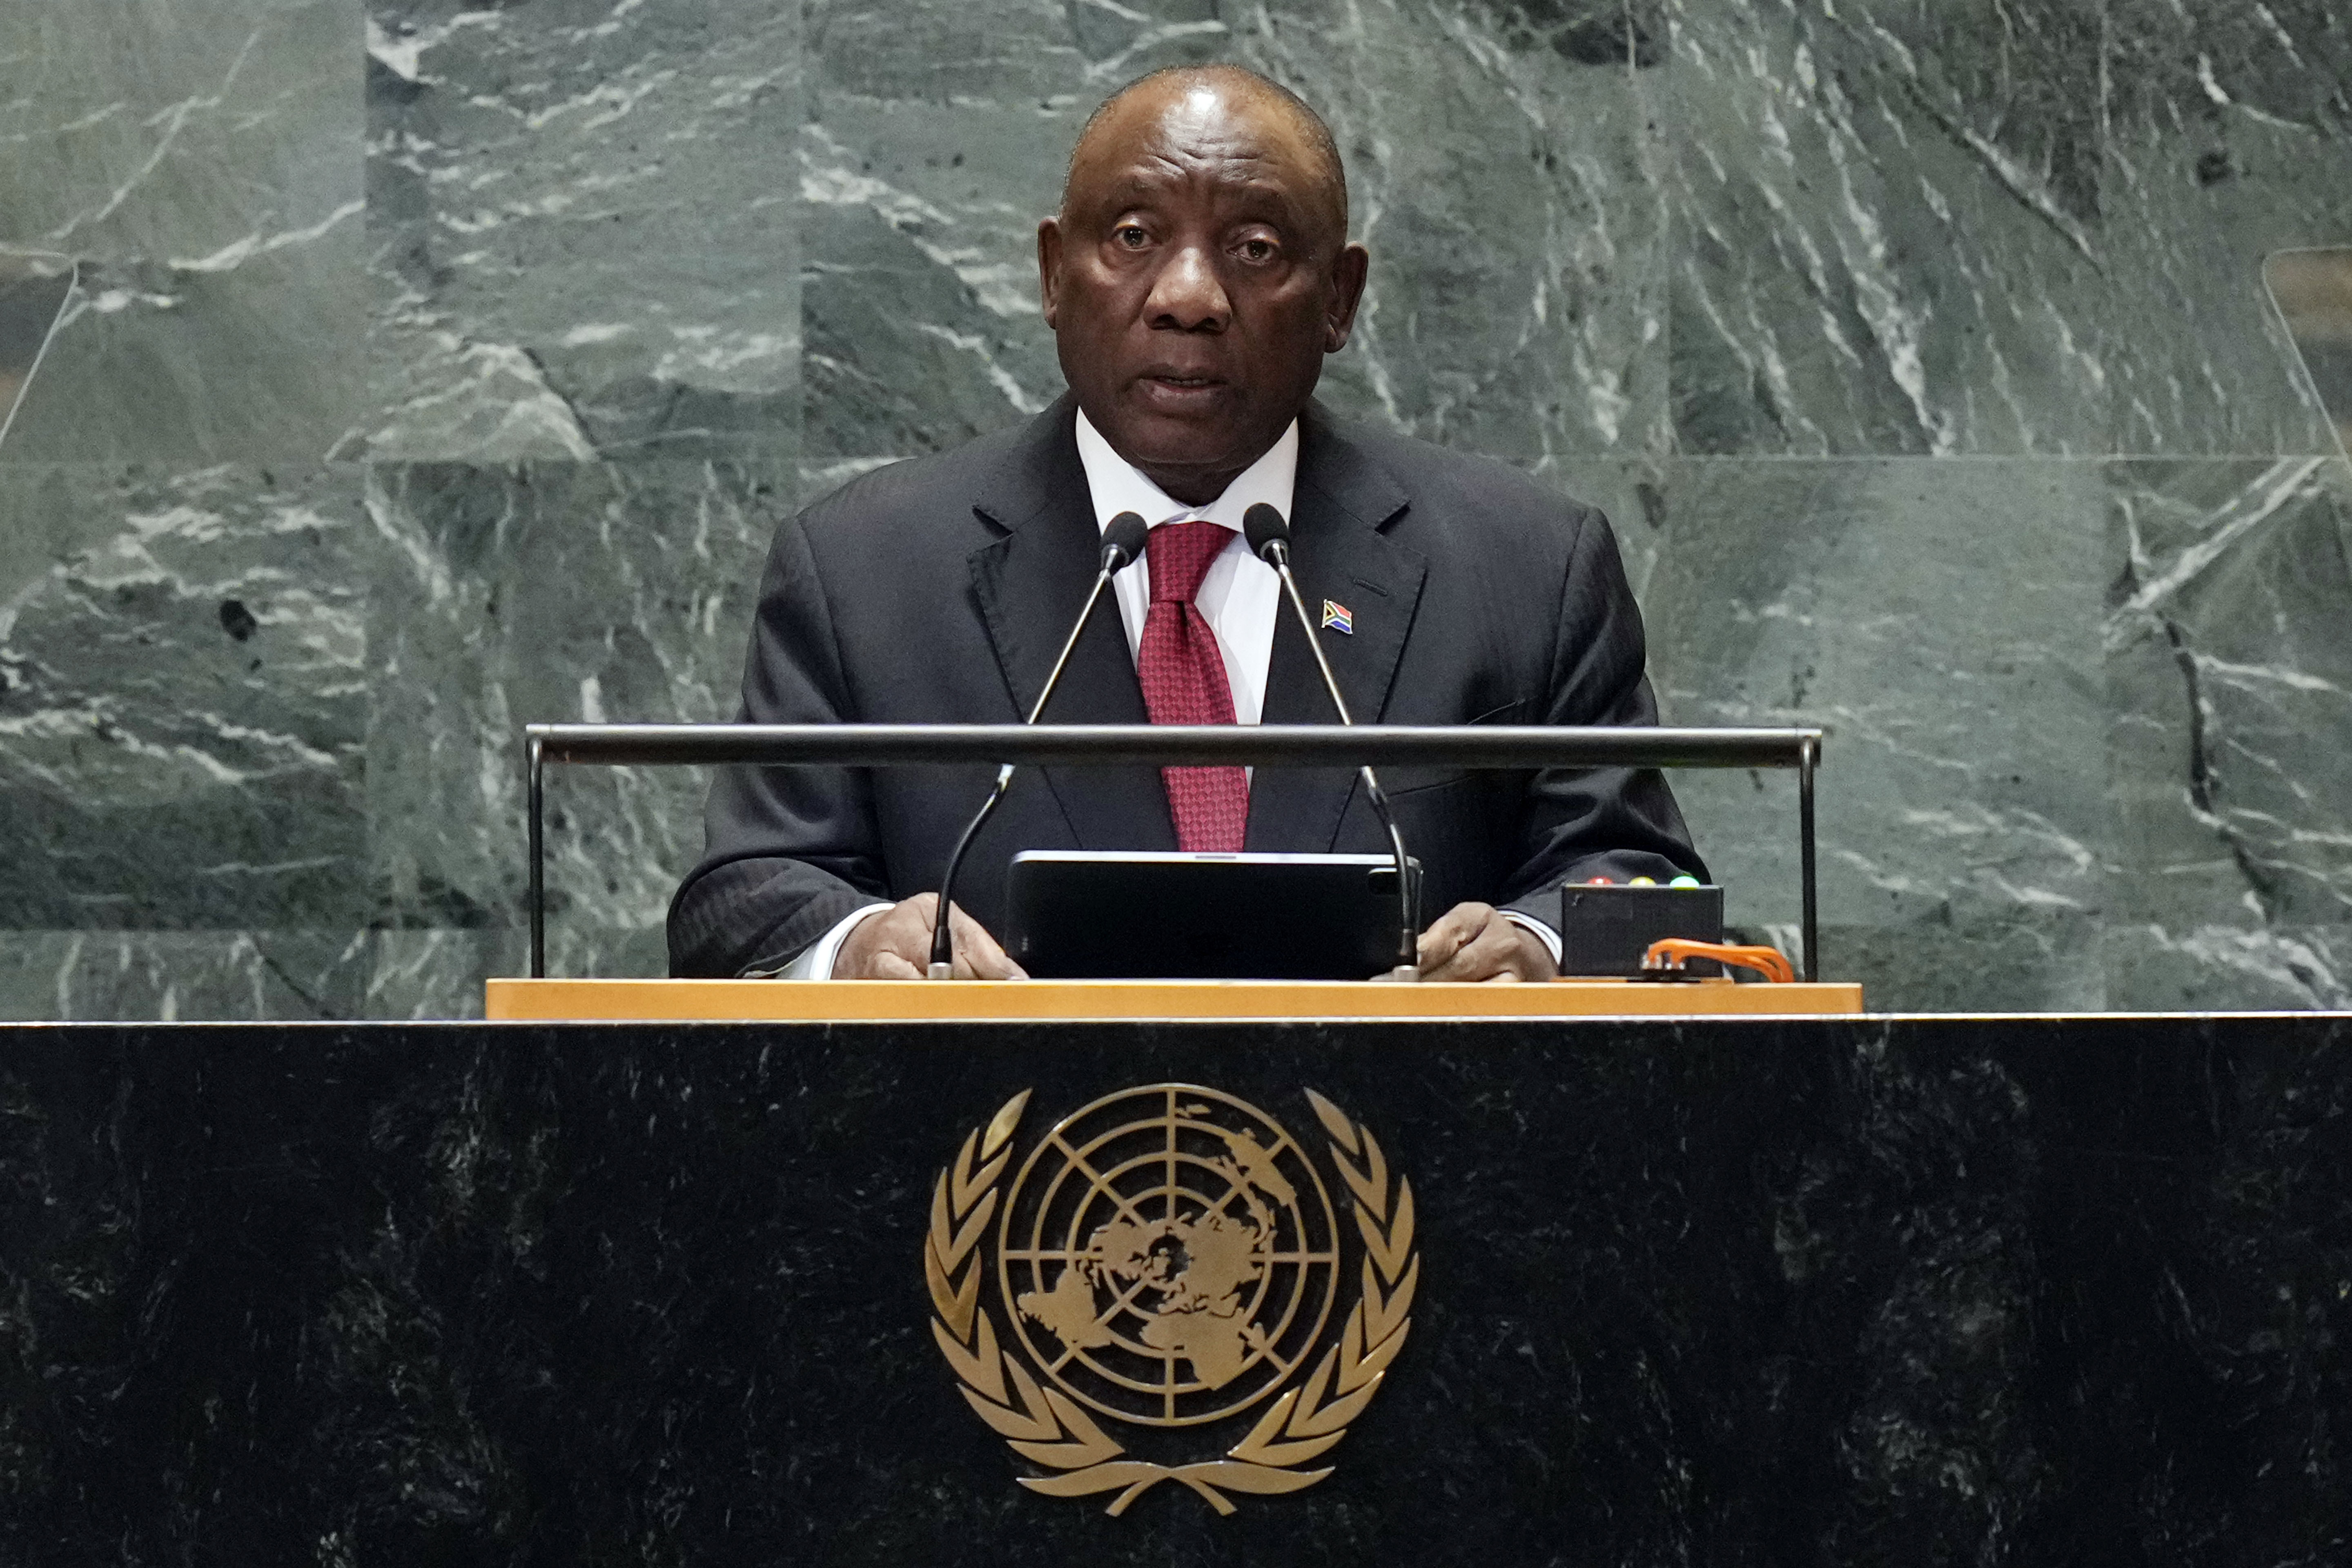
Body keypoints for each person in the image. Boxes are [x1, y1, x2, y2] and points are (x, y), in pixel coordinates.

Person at [668, 64, 1704, 982]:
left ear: (1340, 298)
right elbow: (748, 896)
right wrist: (855, 945)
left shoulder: (1525, 566)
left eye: (1254, 248)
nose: (1191, 296)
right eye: (1133, 237)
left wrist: (1541, 943)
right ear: (1051, 274)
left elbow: (1642, 884)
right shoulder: (863, 571)